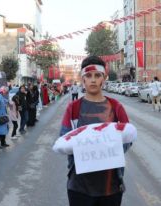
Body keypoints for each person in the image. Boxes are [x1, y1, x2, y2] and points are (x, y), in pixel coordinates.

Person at [58, 56, 130, 206]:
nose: (93, 80)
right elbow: (64, 140)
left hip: (111, 187)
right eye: (88, 76)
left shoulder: (116, 106)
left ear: (104, 78)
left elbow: (128, 138)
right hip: (79, 187)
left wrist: (107, 152)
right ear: (82, 79)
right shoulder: (73, 108)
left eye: (97, 75)